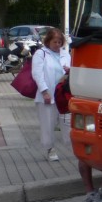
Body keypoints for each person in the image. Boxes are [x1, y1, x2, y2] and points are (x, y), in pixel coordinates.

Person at [31, 27, 71, 162]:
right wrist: (44, 91)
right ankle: (50, 149)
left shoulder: (66, 54)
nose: (58, 45)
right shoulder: (40, 53)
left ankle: (72, 146)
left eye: (60, 42)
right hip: (47, 94)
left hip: (63, 94)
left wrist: (69, 70)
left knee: (67, 122)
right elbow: (37, 73)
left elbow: (71, 71)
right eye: (55, 42)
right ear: (48, 41)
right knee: (48, 124)